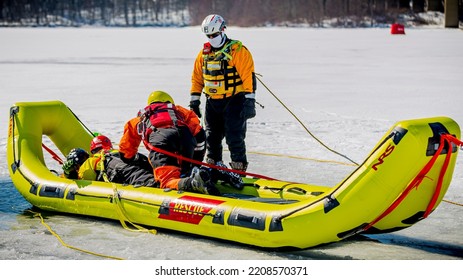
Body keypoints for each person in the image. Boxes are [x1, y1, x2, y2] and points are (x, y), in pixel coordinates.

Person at [189, 14, 257, 173]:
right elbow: (197, 77)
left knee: (235, 138)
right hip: (212, 102)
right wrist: (194, 101)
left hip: (234, 101)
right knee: (211, 138)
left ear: (222, 30)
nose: (212, 38)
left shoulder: (238, 50)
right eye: (209, 36)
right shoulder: (204, 54)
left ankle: (239, 170)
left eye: (214, 34)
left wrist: (250, 101)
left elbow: (248, 76)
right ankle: (214, 167)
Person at [118, 90, 219, 195]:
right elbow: (200, 135)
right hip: (185, 136)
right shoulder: (179, 111)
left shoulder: (140, 119)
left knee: (166, 181)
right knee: (184, 171)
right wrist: (195, 163)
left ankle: (191, 183)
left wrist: (132, 160)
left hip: (161, 140)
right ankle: (192, 175)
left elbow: (126, 152)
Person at [62, 135, 157, 187]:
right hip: (135, 158)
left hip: (117, 167)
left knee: (145, 180)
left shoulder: (91, 161)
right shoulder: (116, 151)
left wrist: (69, 175)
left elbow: (83, 180)